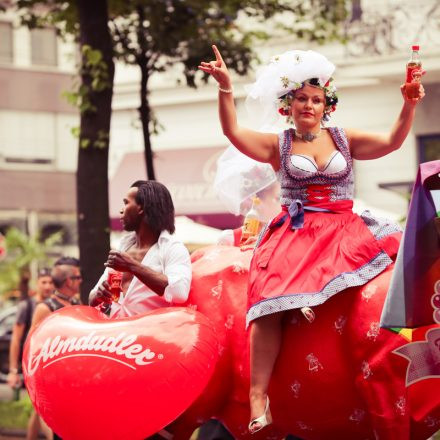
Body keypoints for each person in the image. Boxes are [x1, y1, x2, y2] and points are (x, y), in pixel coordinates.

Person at [199, 45, 424, 434]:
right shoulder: (278, 144)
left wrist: (408, 105)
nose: (309, 104)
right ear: (288, 105)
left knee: (401, 272)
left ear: (326, 105)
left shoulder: (343, 138)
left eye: (317, 99)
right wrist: (225, 89)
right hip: (297, 232)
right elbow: (232, 131)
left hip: (345, 229)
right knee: (268, 304)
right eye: (301, 98)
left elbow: (392, 142)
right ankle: (258, 395)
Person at [89, 180, 191, 319]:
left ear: (141, 208)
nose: (121, 210)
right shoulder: (123, 247)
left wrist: (131, 266)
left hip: (152, 336)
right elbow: (92, 298)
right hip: (119, 336)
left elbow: (180, 292)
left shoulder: (173, 248)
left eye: (126, 203)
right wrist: (99, 295)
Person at [30, 257, 81, 440]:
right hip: (54, 377)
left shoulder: (77, 304)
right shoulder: (45, 307)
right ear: (69, 281)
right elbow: (32, 345)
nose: (81, 280)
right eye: (78, 277)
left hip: (76, 377)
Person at [7, 268, 54, 440]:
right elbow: (16, 339)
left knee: (38, 410)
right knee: (43, 408)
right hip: (33, 365)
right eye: (44, 282)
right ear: (37, 283)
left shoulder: (55, 303)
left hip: (49, 365)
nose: (48, 286)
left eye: (50, 282)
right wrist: (13, 371)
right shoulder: (26, 306)